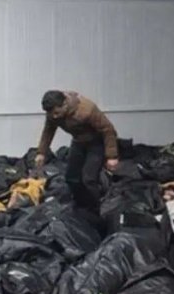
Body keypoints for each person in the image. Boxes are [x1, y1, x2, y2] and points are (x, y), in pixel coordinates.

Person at [34, 90, 119, 218]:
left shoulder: (86, 110)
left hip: (97, 143)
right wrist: (41, 152)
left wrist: (111, 156)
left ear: (64, 104)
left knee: (88, 179)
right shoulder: (52, 114)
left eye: (57, 113)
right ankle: (81, 206)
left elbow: (108, 130)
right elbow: (48, 131)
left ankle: (95, 211)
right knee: (71, 177)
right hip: (78, 141)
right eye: (51, 114)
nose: (54, 116)